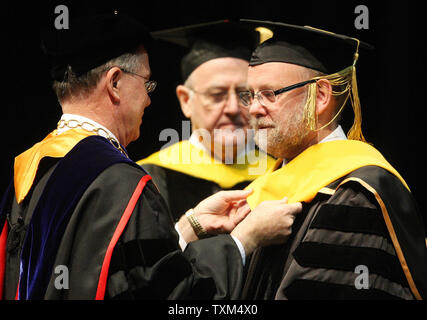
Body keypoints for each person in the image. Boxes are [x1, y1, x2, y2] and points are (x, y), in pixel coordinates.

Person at [0, 14, 303, 300]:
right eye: (146, 83)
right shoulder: (119, 182)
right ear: (115, 83)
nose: (148, 98)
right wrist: (244, 239)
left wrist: (188, 227)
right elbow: (172, 296)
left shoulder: (33, 168)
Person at [237, 20, 427, 300]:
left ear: (321, 96)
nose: (253, 108)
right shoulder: (262, 189)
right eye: (249, 95)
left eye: (269, 94)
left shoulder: (354, 195)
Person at [137, 20, 276, 221]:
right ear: (186, 101)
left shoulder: (277, 173)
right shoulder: (150, 178)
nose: (232, 108)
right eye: (217, 95)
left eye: (244, 94)